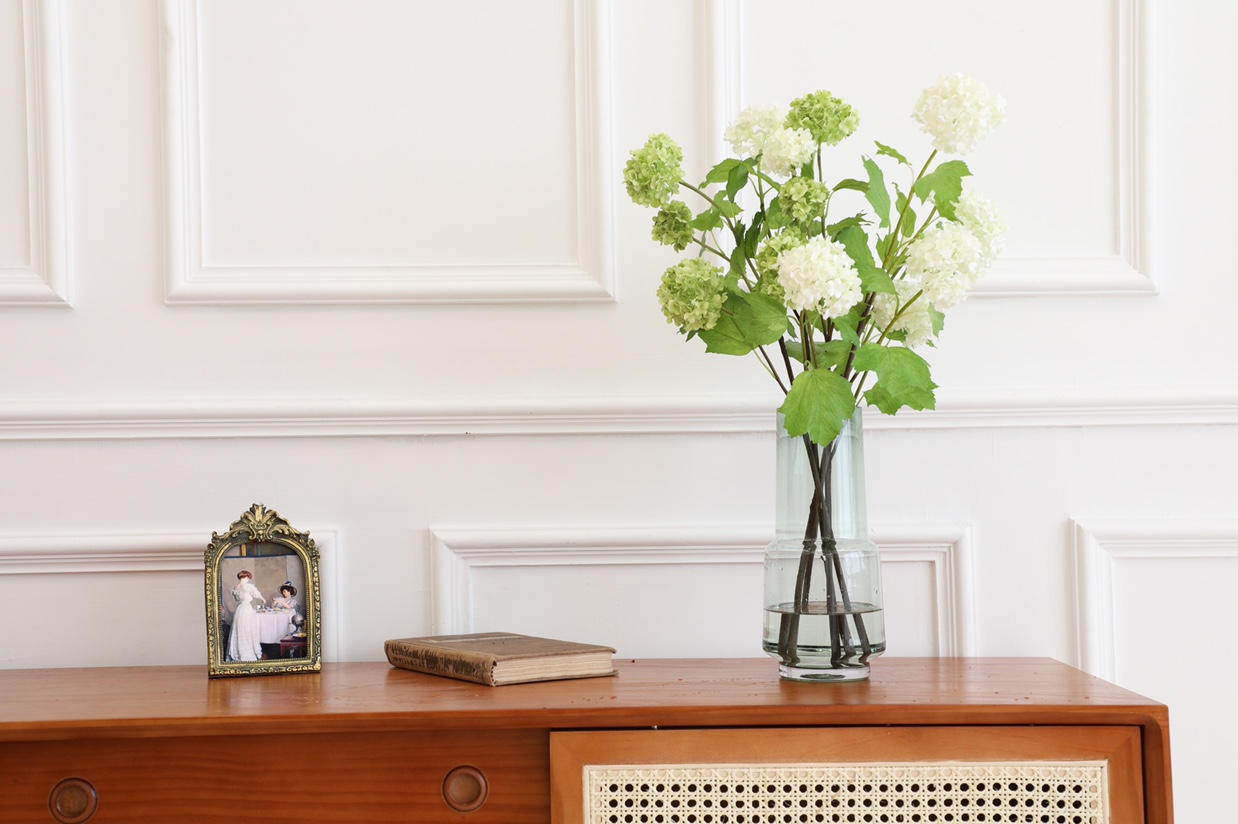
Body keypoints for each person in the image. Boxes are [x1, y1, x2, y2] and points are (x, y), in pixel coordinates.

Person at [226, 570, 265, 662]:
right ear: (244, 577)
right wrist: (263, 599)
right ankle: (247, 653)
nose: (248, 579)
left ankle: (239, 651)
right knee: (247, 628)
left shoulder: (235, 588)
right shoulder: (248, 586)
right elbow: (256, 594)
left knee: (240, 629)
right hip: (246, 608)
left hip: (240, 609)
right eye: (248, 577)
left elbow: (237, 599)